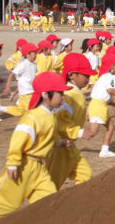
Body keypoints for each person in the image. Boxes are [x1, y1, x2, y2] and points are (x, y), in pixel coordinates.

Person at [0, 72, 70, 224]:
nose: (62, 96)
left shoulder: (51, 115)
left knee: (50, 200)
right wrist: (13, 163)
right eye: (59, 93)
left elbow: (48, 136)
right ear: (45, 95)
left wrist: (60, 142)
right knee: (4, 205)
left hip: (39, 168)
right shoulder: (32, 117)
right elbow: (18, 140)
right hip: (22, 167)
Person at [47, 53, 96, 189]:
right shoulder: (67, 96)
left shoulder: (75, 93)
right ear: (72, 75)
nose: (88, 78)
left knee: (85, 176)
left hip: (69, 146)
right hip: (59, 148)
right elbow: (59, 120)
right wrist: (79, 132)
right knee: (51, 187)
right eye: (85, 75)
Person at [86, 54, 115, 158]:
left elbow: (104, 96)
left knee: (111, 127)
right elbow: (110, 91)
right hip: (98, 107)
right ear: (112, 67)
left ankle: (104, 150)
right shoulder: (109, 78)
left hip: (99, 106)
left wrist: (114, 103)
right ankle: (69, 137)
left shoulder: (104, 77)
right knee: (92, 133)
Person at [0, 42, 38, 117]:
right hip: (26, 93)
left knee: (20, 111)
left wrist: (15, 92)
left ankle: (0, 108)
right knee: (32, 111)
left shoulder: (34, 65)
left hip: (31, 91)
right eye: (34, 53)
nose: (36, 55)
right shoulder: (23, 64)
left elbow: (30, 79)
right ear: (28, 54)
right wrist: (8, 86)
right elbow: (11, 74)